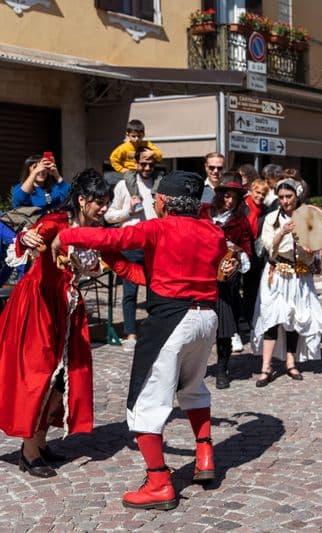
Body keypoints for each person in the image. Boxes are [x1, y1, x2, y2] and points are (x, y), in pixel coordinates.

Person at [55, 170, 230, 510]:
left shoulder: (157, 227)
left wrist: (68, 235)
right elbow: (157, 272)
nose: (153, 203)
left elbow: (114, 240)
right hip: (206, 317)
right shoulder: (213, 231)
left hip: (171, 319)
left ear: (163, 201)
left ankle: (159, 482)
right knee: (193, 387)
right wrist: (118, 264)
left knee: (145, 401)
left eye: (155, 199)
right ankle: (205, 456)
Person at [0, 169, 131, 478]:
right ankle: (28, 453)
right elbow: (28, 239)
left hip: (68, 308)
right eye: (99, 202)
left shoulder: (95, 231)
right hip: (39, 306)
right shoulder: (56, 222)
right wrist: (26, 238)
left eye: (106, 202)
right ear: (82, 200)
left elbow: (111, 260)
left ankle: (41, 442)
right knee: (40, 377)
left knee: (63, 378)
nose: (103, 209)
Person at [251, 177, 322, 386]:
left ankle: (291, 362)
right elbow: (267, 246)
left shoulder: (307, 216)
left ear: (297, 196)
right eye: (281, 197)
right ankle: (266, 367)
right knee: (271, 317)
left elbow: (316, 242)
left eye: (289, 196)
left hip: (299, 274)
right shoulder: (272, 218)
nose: (285, 201)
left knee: (294, 317)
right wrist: (281, 232)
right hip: (276, 272)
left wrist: (311, 251)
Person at [104, 146, 160, 353]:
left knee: (156, 290)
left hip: (154, 243)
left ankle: (155, 330)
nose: (147, 167)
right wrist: (128, 212)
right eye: (143, 163)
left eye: (151, 163)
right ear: (136, 163)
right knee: (130, 292)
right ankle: (130, 333)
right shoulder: (123, 185)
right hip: (131, 243)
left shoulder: (159, 184)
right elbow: (109, 216)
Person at [200, 180, 253, 389]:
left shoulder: (240, 222)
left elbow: (247, 250)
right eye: (226, 196)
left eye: (235, 198)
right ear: (219, 195)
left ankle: (222, 369)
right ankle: (195, 369)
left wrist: (238, 260)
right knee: (198, 328)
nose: (229, 201)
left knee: (223, 329)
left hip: (224, 283)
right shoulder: (203, 213)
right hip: (200, 278)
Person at [242, 178, 269, 325]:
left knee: (251, 287)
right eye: (258, 192)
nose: (260, 196)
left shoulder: (265, 210)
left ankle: (248, 318)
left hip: (255, 251)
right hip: (240, 248)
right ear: (252, 191)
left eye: (263, 194)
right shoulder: (242, 205)